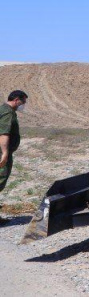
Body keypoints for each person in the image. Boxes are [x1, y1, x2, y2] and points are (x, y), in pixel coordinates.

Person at [0, 90, 28, 225]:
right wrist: (4, 152)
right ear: (16, 100)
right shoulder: (7, 112)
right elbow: (4, 133)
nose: (24, 104)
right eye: (23, 101)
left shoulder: (3, 109)